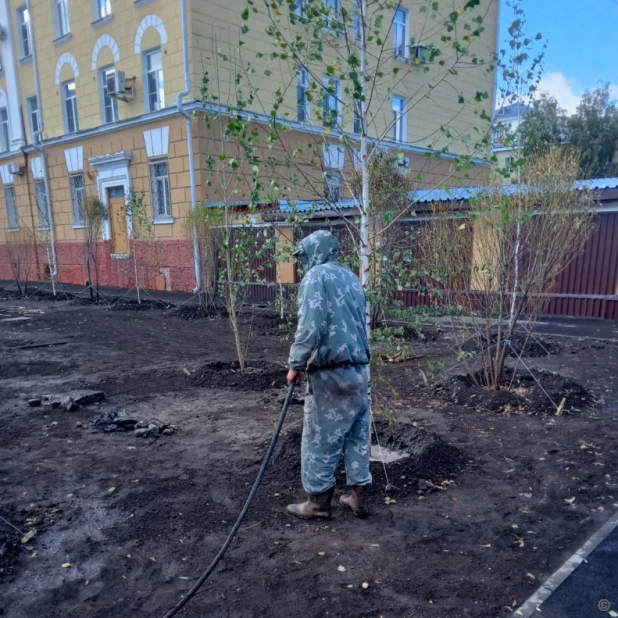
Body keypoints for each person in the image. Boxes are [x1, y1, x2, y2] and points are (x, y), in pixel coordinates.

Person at [285, 229, 372, 519]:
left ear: (315, 252)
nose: (303, 262)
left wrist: (296, 363)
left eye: (305, 256)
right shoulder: (352, 278)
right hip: (359, 372)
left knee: (320, 438)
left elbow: (311, 325)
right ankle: (358, 497)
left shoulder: (316, 277)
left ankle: (318, 503)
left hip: (331, 373)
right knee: (357, 435)